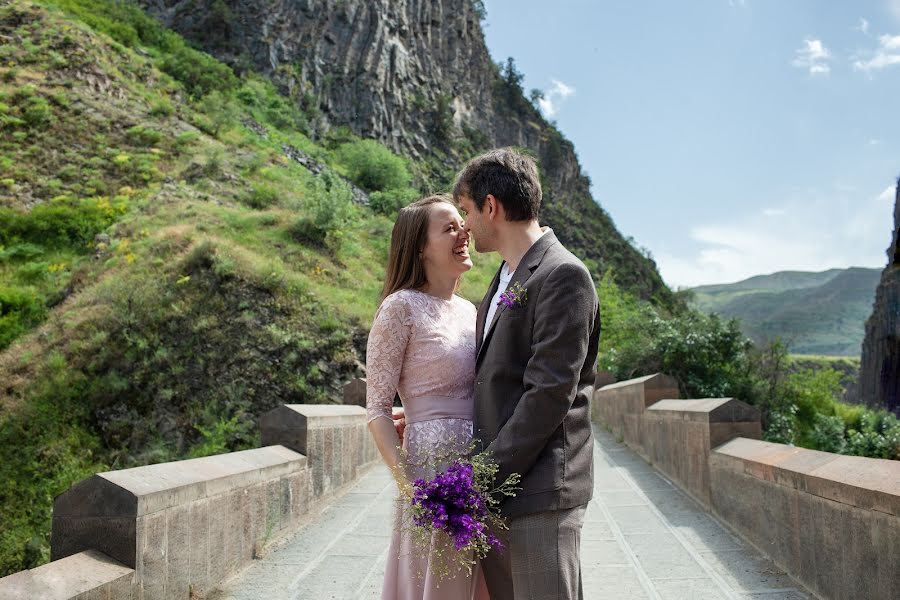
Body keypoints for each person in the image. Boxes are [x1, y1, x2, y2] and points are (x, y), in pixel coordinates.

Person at [454, 148, 601, 600]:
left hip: (538, 493)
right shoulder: (501, 278)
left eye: (466, 211)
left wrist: (479, 477)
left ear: (491, 207)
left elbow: (548, 394)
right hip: (499, 492)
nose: (464, 226)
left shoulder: (563, 275)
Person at [365, 194, 490, 600]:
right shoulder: (400, 307)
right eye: (449, 227)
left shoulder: (474, 311)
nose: (464, 233)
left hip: (485, 468)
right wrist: (412, 489)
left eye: (462, 224)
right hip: (431, 476)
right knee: (439, 582)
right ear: (420, 248)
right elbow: (378, 409)